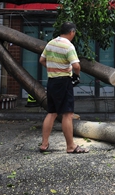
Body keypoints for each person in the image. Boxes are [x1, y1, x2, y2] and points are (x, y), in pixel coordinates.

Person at [38, 22, 89, 154]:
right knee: (67, 114)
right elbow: (76, 66)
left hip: (52, 81)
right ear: (72, 32)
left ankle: (44, 144)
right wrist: (76, 76)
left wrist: (52, 69)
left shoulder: (51, 43)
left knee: (52, 112)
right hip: (63, 82)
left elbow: (42, 60)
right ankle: (70, 146)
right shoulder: (68, 46)